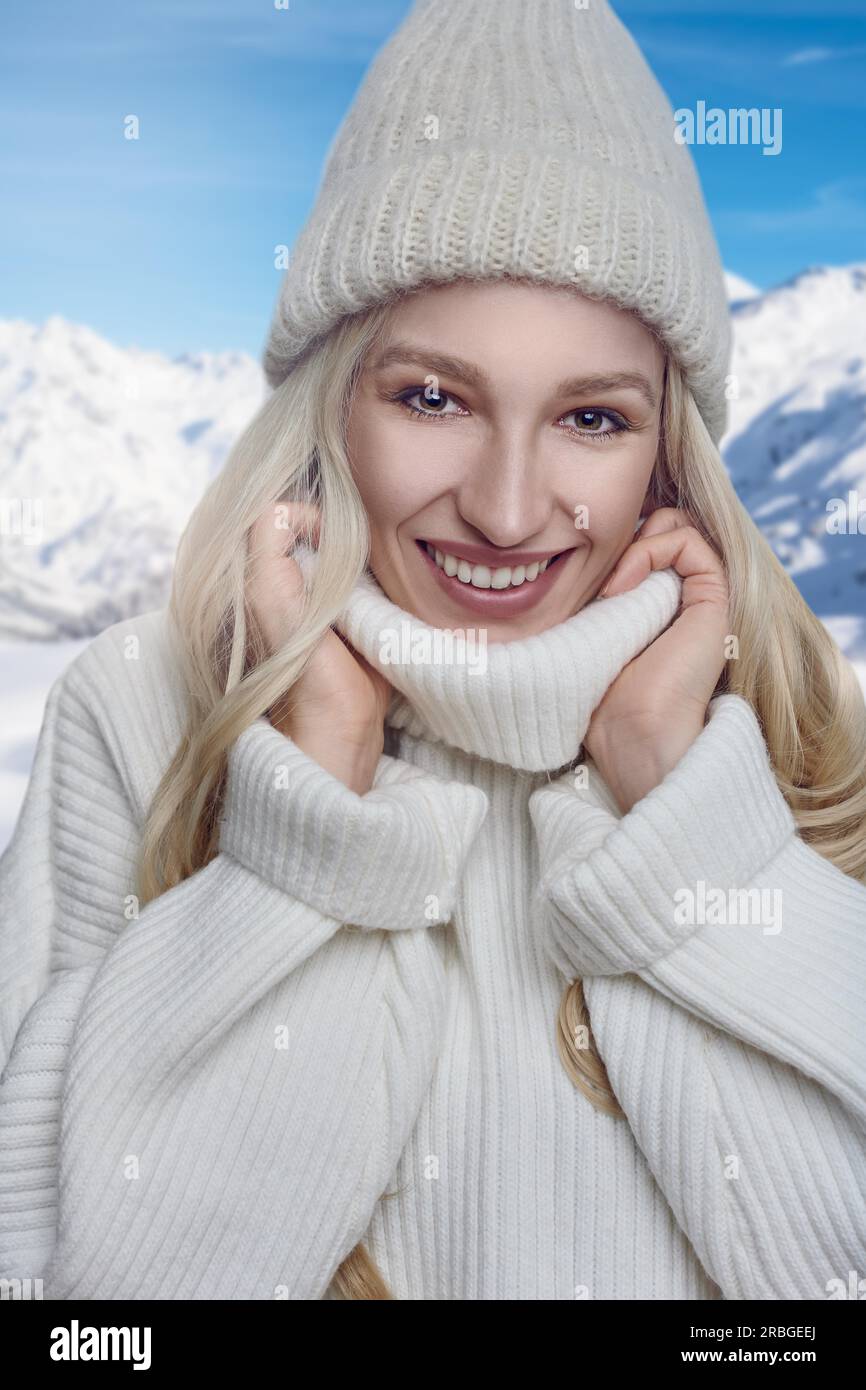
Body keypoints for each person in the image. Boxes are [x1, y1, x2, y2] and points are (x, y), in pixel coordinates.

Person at [1, 0, 864, 1303]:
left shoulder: (794, 732)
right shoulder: (141, 709)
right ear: (329, 400)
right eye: (431, 398)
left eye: (588, 415)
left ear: (666, 448)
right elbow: (84, 1309)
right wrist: (313, 821)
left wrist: (682, 807)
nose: (509, 510)